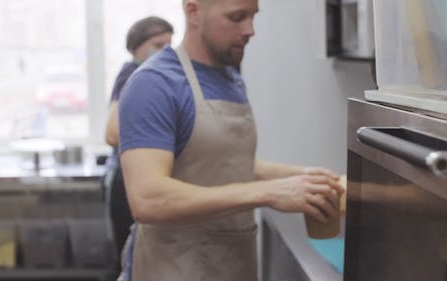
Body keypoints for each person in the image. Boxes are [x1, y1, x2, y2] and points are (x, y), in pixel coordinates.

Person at [116, 0, 344, 280]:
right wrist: (271, 192)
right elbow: (148, 199)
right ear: (193, 11)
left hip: (230, 265)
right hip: (175, 267)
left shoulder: (230, 77)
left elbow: (222, 161)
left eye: (252, 16)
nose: (250, 30)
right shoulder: (154, 84)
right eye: (237, 17)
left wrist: (304, 177)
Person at [103, 16, 173, 274]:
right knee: (130, 258)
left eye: (169, 44)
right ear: (136, 47)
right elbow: (112, 134)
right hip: (125, 181)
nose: (165, 52)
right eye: (157, 44)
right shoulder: (133, 74)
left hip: (131, 179)